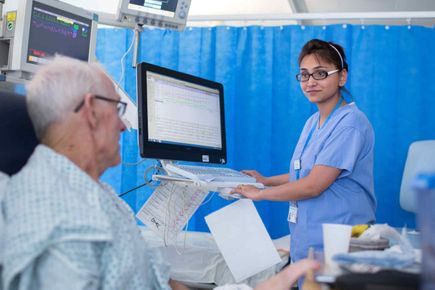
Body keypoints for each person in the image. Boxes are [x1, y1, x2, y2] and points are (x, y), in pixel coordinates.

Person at [1, 56, 318, 290]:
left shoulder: (97, 195)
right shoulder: (58, 219)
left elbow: (158, 283)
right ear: (91, 111)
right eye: (118, 109)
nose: (125, 126)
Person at [232, 39, 377, 265]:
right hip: (310, 239)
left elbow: (313, 185)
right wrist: (266, 180)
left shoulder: (350, 124)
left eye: (320, 74)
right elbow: (305, 175)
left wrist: (259, 194)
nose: (310, 82)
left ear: (342, 77)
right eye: (304, 75)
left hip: (340, 240)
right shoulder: (312, 122)